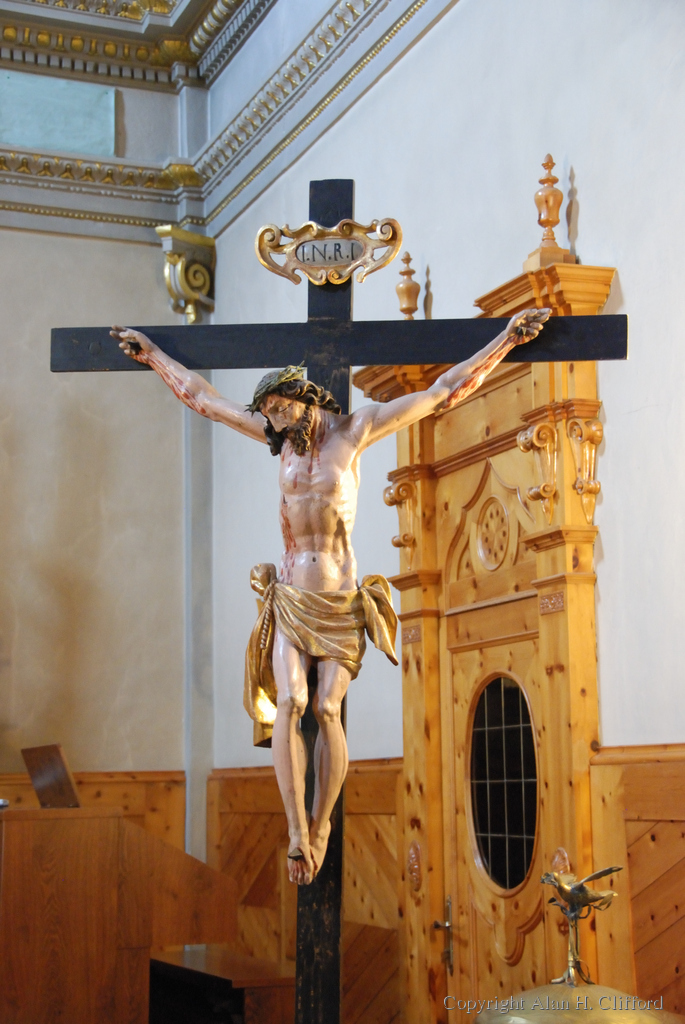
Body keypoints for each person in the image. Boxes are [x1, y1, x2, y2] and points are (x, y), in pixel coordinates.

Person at [110, 306, 550, 884]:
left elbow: (442, 392)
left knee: (326, 708)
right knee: (291, 702)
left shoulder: (355, 431)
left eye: (280, 408)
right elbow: (204, 400)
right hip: (293, 597)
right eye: (268, 412)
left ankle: (320, 828)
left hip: (340, 600)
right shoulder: (278, 440)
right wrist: (153, 357)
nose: (273, 420)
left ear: (304, 397)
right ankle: (296, 829)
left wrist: (506, 340)